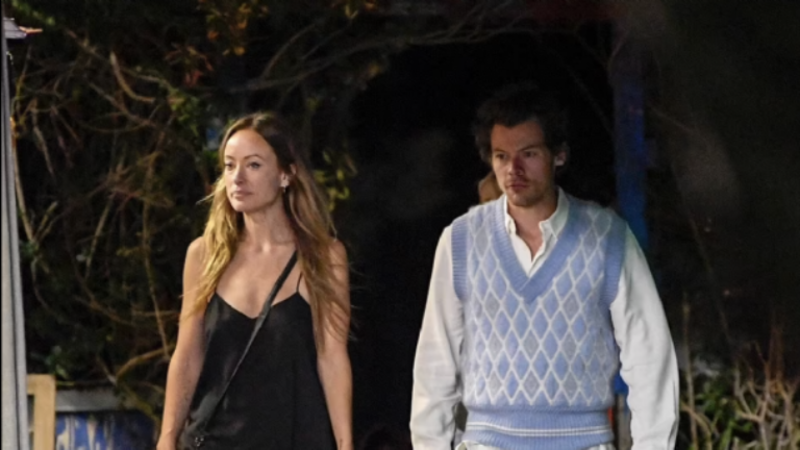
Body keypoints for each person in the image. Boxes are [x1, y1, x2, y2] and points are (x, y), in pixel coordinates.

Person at [410, 83, 678, 450]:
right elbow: (436, 364)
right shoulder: (461, 241)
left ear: (559, 155)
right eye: (501, 156)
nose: (513, 169)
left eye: (529, 154)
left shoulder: (607, 238)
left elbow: (649, 355)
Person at [157, 113, 353, 450]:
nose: (238, 178)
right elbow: (187, 354)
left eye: (253, 165)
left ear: (286, 174)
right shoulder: (205, 255)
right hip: (214, 440)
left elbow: (332, 358)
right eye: (229, 165)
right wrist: (167, 437)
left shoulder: (323, 257)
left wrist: (345, 444)